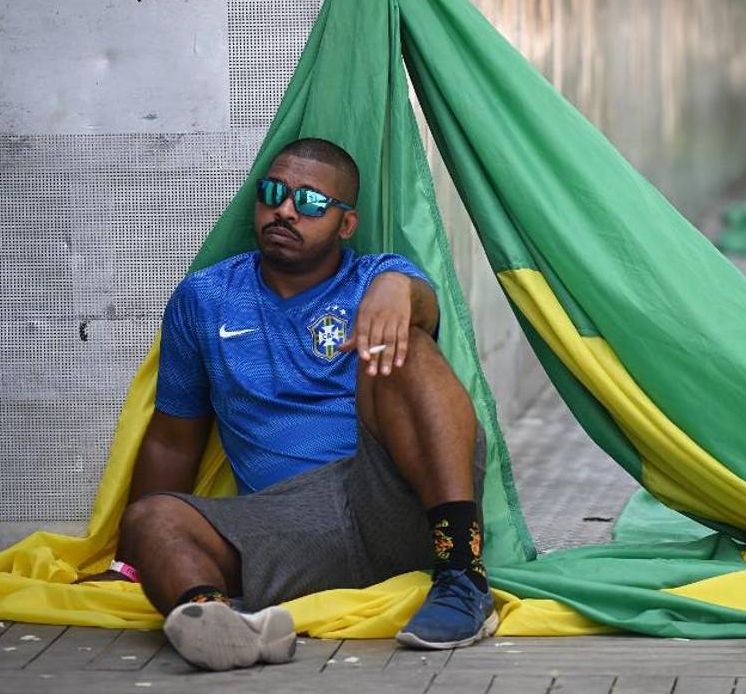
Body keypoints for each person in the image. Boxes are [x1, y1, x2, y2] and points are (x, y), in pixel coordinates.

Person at [79, 138, 495, 671]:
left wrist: (398, 287)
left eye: (312, 202)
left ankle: (462, 573)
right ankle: (218, 624)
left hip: (386, 498)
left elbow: (419, 302)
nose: (286, 209)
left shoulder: (375, 278)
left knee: (404, 346)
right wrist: (131, 561)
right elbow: (172, 438)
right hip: (280, 523)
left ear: (346, 224)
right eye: (273, 193)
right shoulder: (204, 298)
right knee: (151, 519)